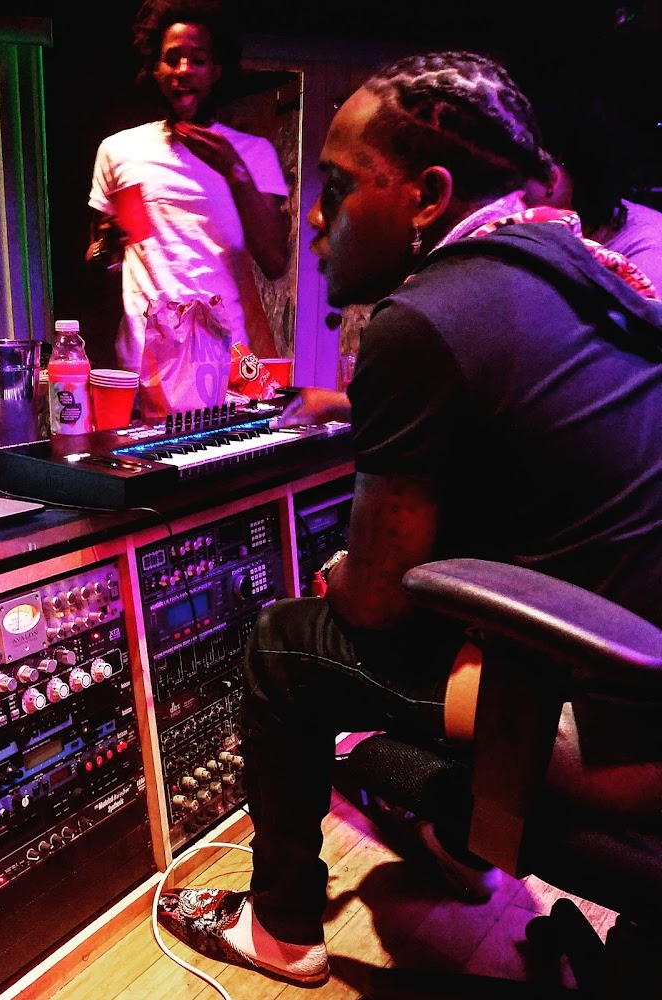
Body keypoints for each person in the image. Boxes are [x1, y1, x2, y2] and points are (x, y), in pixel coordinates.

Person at [157, 50, 662, 986]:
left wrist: (342, 576)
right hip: (640, 672)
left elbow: (376, 603)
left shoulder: (424, 318)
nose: (315, 219)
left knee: (286, 644)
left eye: (339, 187)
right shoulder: (588, 272)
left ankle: (282, 932)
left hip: (620, 733)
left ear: (427, 196)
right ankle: (465, 847)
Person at [86, 0, 290, 422]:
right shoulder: (119, 151)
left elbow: (274, 261)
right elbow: (98, 258)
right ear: (155, 69)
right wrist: (108, 245)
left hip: (223, 367)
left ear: (217, 70)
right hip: (141, 369)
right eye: (172, 58)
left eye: (197, 59)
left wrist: (235, 172)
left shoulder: (253, 154)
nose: (183, 70)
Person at [523, 93, 662, 291]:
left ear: (551, 178)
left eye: (513, 178)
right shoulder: (546, 234)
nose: (505, 195)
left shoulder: (649, 252)